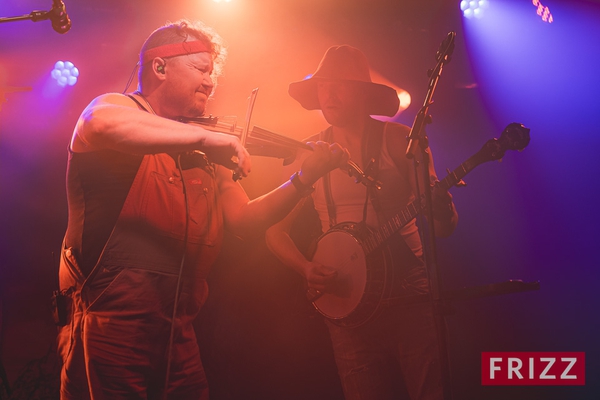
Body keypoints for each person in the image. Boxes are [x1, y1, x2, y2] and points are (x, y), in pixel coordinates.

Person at [55, 20, 348, 400]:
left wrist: (304, 179)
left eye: (213, 73)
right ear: (159, 68)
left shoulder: (201, 142)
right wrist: (207, 138)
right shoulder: (119, 107)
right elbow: (97, 122)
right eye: (201, 69)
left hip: (180, 322)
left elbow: (245, 219)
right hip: (113, 316)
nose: (211, 83)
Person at [265, 45, 458, 400]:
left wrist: (442, 206)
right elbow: (274, 230)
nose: (330, 93)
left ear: (364, 93)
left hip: (408, 290)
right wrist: (306, 269)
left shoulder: (401, 140)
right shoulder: (307, 153)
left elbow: (444, 228)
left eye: (341, 84)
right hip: (344, 296)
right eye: (324, 85)